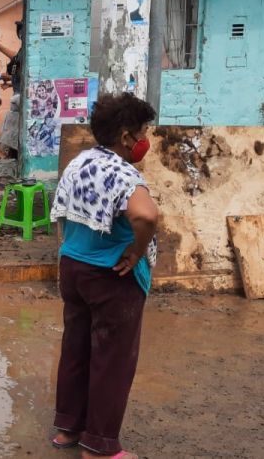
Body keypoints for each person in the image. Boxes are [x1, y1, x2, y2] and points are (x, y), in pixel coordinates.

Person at [49, 92, 159, 459]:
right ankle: (99, 446)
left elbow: (64, 211)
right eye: (143, 131)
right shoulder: (124, 173)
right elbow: (146, 216)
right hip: (111, 274)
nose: (145, 139)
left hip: (74, 269)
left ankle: (68, 429)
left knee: (76, 349)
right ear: (127, 136)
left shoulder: (80, 162)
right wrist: (137, 250)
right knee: (112, 359)